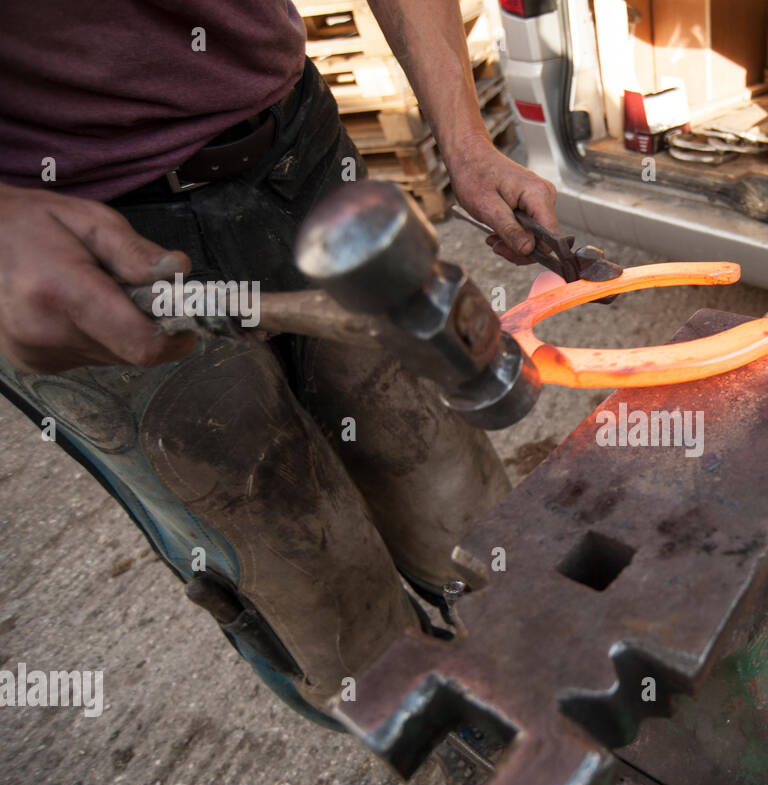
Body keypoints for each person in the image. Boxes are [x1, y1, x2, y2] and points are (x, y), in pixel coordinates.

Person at [0, 0, 560, 726]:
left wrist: (466, 137)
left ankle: (544, 682)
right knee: (323, 594)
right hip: (84, 239)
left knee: (468, 518)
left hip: (302, 153)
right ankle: (457, 744)